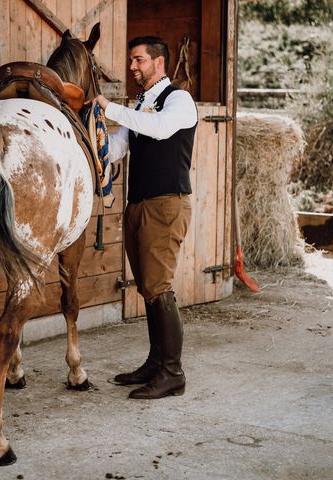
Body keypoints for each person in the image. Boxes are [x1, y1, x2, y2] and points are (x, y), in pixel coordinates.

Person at [95, 36, 197, 400]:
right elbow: (121, 147)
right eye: (131, 60)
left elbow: (159, 129)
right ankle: (156, 363)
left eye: (138, 60)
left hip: (166, 204)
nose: (132, 66)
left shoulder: (179, 100)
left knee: (158, 287)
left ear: (159, 61)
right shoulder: (141, 104)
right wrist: (94, 140)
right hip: (139, 204)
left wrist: (109, 107)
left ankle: (173, 373)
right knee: (148, 287)